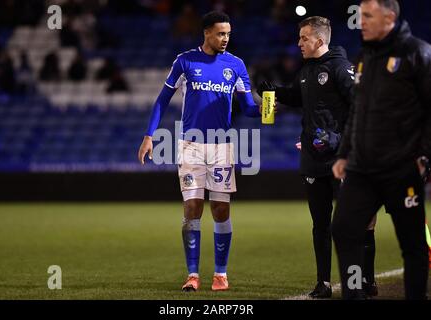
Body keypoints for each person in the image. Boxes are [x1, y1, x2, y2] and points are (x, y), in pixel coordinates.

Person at [138, 11, 261, 292]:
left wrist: (267, 110)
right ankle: (192, 275)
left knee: (220, 209)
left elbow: (248, 108)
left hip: (221, 146)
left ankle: (221, 274)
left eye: (228, 33)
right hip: (190, 145)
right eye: (220, 33)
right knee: (192, 208)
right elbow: (162, 100)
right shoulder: (185, 61)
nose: (225, 38)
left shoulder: (236, 65)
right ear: (206, 33)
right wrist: (149, 135)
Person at [257, 16, 377, 298]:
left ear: (320, 41)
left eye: (304, 38)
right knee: (320, 224)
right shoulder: (306, 71)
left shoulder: (339, 67)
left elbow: (360, 109)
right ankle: (323, 283)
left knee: (351, 223)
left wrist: (339, 141)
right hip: (313, 159)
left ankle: (365, 280)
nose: (299, 43)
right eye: (299, 38)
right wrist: (274, 92)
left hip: (342, 160)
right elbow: (300, 98)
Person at [331, 0, 431, 300]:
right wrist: (344, 153)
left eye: (367, 16)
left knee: (412, 244)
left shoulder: (418, 53)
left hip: (401, 169)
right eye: (360, 15)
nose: (360, 21)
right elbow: (357, 111)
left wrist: (424, 156)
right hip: (362, 168)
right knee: (344, 230)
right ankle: (354, 295)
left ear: (389, 18)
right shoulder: (364, 57)